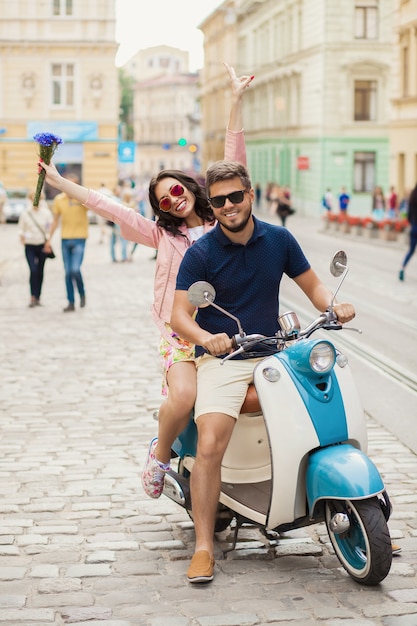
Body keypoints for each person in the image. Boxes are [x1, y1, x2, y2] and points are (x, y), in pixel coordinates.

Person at [37, 63, 254, 495]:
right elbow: (110, 207)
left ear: (192, 189)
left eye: (177, 190)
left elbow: (235, 161)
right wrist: (60, 182)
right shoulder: (160, 234)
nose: (173, 200)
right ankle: (161, 455)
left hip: (228, 328)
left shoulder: (221, 225)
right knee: (185, 396)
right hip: (179, 334)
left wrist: (234, 100)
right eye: (164, 200)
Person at [170, 160, 356, 583]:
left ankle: (358, 502)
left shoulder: (279, 239)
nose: (229, 206)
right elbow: (179, 315)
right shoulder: (202, 253)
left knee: (328, 410)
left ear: (250, 195)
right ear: (212, 206)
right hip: (226, 359)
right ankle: (203, 546)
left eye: (236, 196)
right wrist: (206, 336)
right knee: (212, 440)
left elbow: (313, 287)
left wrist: (333, 306)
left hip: (274, 351)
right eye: (218, 201)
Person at [48, 171, 89, 312]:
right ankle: (71, 302)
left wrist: (76, 197)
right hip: (65, 239)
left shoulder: (82, 199)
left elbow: (93, 208)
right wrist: (49, 239)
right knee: (67, 272)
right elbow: (55, 221)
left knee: (75, 269)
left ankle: (82, 293)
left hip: (80, 238)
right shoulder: (59, 200)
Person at [17, 191, 53, 307]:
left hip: (42, 244)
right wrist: (21, 235)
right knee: (33, 270)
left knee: (40, 270)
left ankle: (38, 296)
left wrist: (48, 241)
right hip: (30, 244)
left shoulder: (46, 213)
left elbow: (49, 228)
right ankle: (32, 296)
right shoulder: (26, 213)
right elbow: (21, 228)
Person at [399, 182, 417, 281]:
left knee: (411, 250)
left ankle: (402, 268)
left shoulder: (412, 198)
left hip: (414, 227)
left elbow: (409, 216)